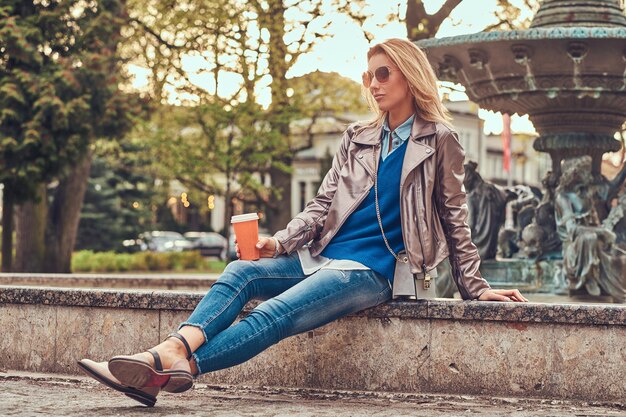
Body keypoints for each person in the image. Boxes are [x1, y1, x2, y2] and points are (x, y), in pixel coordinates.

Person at [78, 38, 528, 407]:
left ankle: (166, 369)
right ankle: (171, 353)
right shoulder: (358, 137)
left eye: (383, 73)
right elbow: (323, 203)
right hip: (323, 255)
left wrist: (474, 286)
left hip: (374, 269)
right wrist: (279, 242)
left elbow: (454, 216)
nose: (373, 84)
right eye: (368, 75)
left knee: (274, 315)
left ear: (410, 74)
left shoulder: (440, 139)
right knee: (242, 272)